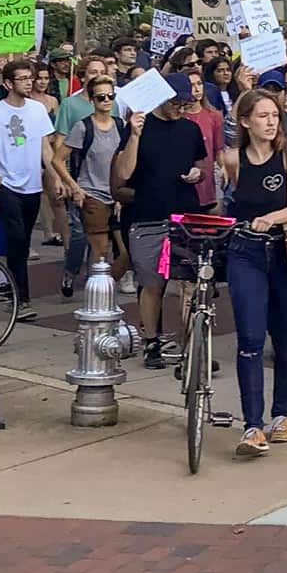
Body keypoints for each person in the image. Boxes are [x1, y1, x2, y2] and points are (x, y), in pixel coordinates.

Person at [219, 86, 287, 458]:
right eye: (262, 116)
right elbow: (231, 201)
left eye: (274, 115)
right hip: (246, 251)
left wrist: (271, 219)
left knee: (284, 336)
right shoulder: (232, 159)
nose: (270, 122)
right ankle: (252, 424)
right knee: (249, 338)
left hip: (286, 249)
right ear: (244, 121)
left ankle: (282, 413)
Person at [118, 76, 213, 367]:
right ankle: (151, 341)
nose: (181, 110)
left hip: (184, 214)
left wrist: (198, 175)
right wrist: (134, 136)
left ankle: (191, 347)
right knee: (152, 283)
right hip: (148, 215)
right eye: (176, 103)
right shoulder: (139, 127)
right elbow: (124, 172)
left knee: (188, 284)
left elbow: (200, 165)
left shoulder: (190, 129)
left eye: (186, 104)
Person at [0, 61, 56, 320]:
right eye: (21, 79)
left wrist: (53, 176)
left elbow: (45, 147)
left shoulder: (37, 110)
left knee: (24, 240)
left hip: (32, 184)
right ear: (9, 83)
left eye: (29, 78)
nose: (28, 82)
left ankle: (15, 288)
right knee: (16, 237)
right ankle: (21, 297)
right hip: (7, 184)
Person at [64, 77, 127, 275]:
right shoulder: (83, 127)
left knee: (126, 252)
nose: (107, 101)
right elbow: (57, 160)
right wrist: (75, 188)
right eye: (101, 97)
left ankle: (107, 288)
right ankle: (94, 293)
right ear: (92, 100)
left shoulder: (121, 125)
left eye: (111, 96)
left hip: (118, 194)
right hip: (92, 193)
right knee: (100, 251)